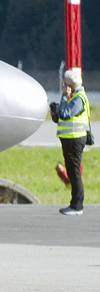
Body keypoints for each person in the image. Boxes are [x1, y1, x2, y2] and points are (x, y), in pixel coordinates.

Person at [53, 67, 90, 215]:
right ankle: (75, 204)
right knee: (72, 171)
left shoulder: (78, 99)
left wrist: (63, 98)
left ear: (69, 86)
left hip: (74, 140)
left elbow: (65, 114)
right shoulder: (76, 98)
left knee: (74, 173)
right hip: (70, 139)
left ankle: (77, 206)